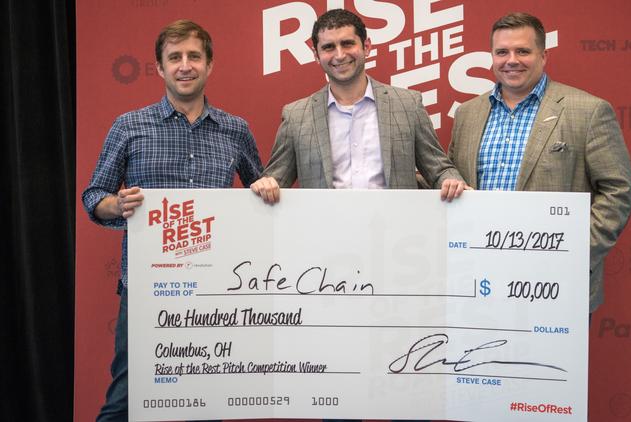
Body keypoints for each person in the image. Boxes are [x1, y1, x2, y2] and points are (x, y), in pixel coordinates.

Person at [81, 19, 262, 421]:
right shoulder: (129, 126)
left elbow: (260, 191)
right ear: (160, 68)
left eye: (194, 56)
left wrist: (267, 189)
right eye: (174, 57)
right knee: (125, 399)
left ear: (209, 65)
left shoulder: (235, 130)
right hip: (147, 286)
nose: (185, 65)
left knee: (207, 397)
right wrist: (116, 205)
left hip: (217, 288)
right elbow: (92, 196)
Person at [448, 12, 631, 314]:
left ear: (543, 55)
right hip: (479, 278)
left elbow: (618, 191)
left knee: (550, 364)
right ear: (491, 57)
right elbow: (453, 181)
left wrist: (573, 253)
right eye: (502, 52)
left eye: (523, 51)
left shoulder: (587, 111)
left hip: (555, 281)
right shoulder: (468, 114)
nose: (511, 60)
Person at [251, 8, 466, 204]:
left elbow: (439, 170)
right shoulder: (296, 116)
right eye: (328, 47)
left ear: (366, 47)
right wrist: (266, 184)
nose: (339, 55)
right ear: (316, 55)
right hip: (324, 238)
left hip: (396, 237)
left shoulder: (408, 105)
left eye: (347, 43)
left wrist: (451, 180)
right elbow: (275, 180)